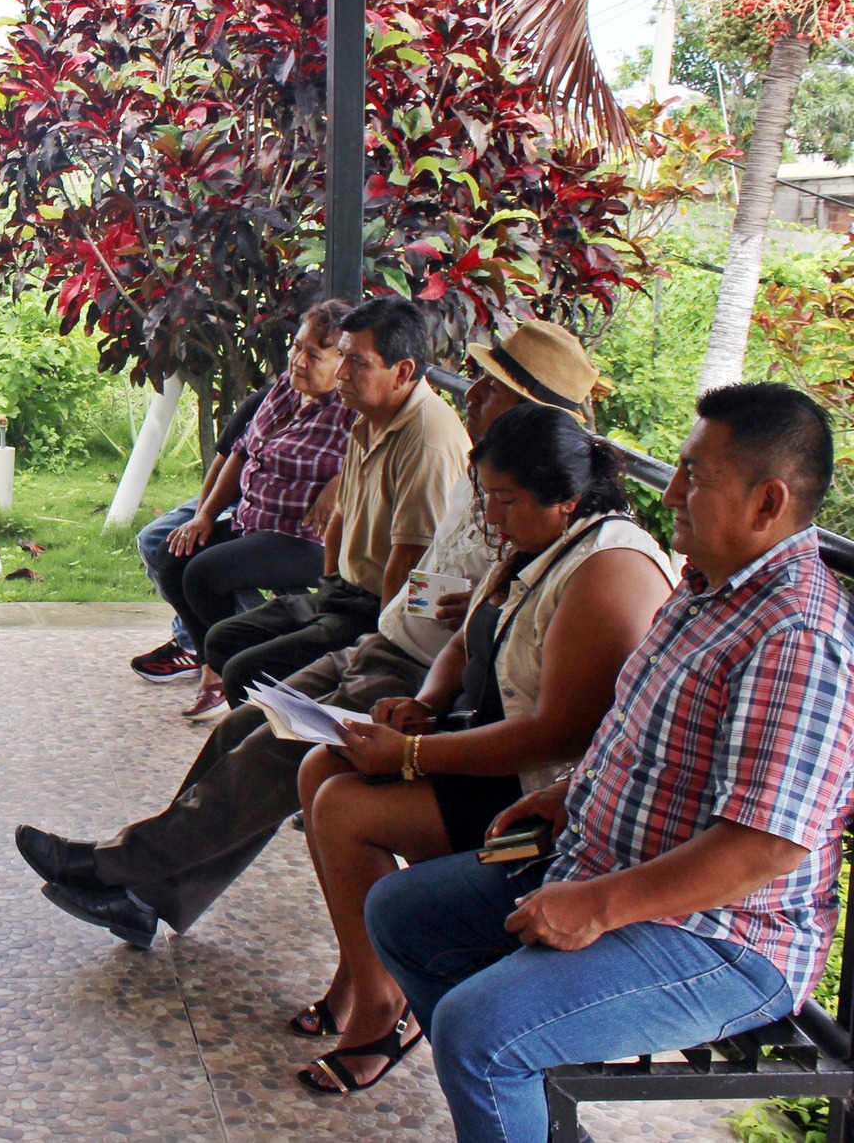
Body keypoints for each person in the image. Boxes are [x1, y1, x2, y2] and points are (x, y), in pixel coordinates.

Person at [366, 383, 853, 1143]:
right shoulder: (707, 590)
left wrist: (597, 905)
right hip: (610, 862)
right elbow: (649, 736)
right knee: (402, 913)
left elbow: (764, 846)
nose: (674, 491)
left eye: (697, 477)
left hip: (723, 935)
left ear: (769, 502)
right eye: (679, 469)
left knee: (480, 1033)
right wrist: (569, 794)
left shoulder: (794, 634)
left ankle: (510, 1087)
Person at [17, 320, 604, 948]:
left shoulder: (528, 498)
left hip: (409, 663)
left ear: (535, 413)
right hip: (391, 639)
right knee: (246, 722)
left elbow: (519, 664)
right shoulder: (481, 466)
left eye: (492, 385)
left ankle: (120, 869)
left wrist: (455, 639)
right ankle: (145, 895)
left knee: (275, 745)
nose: (472, 391)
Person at [290, 404, 673, 1095]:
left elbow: (560, 734)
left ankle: (383, 1009)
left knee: (345, 808)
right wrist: (427, 704)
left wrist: (410, 756)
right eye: (487, 496)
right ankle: (361, 971)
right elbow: (469, 638)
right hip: (486, 743)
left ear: (566, 497)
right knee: (321, 763)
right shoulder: (539, 540)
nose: (492, 517)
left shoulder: (609, 568)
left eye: (506, 499)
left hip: (538, 790)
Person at [183, 296, 470, 720]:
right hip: (346, 592)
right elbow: (340, 516)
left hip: (383, 612)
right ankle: (276, 727)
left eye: (357, 362)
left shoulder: (427, 440)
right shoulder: (370, 416)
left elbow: (410, 562)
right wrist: (330, 586)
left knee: (246, 668)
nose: (341, 373)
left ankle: (282, 734)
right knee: (224, 639)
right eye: (342, 357)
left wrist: (380, 649)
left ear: (403, 371)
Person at [130, 300, 354, 684]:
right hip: (252, 520)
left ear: (343, 361)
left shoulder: (351, 409)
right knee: (172, 554)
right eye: (297, 347)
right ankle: (214, 665)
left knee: (204, 574)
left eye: (314, 355)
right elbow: (238, 452)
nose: (299, 360)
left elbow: (378, 458)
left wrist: (342, 482)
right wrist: (204, 515)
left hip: (301, 537)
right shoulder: (285, 389)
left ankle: (239, 669)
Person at [133, 379, 272, 668]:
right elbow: (223, 461)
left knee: (206, 562)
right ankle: (194, 642)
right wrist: (202, 516)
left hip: (269, 512)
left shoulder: (334, 415)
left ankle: (249, 647)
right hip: (232, 496)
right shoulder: (264, 402)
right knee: (155, 540)